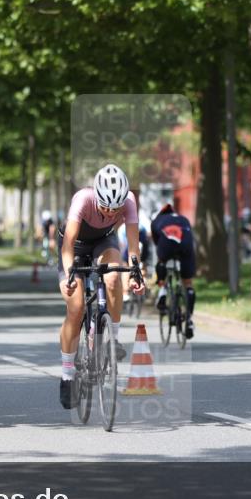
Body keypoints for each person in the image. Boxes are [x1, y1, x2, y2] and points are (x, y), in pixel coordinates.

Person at [58, 164, 146, 409]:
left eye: (114, 208)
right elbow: (68, 244)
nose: (110, 213)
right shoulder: (83, 200)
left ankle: (113, 340)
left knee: (114, 277)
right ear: (97, 197)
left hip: (104, 242)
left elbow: (133, 244)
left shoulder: (129, 201)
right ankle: (67, 376)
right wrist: (70, 276)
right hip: (74, 247)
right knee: (75, 308)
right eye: (106, 207)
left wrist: (136, 272)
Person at [151, 202, 196, 339]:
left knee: (161, 262)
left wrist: (163, 259)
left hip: (167, 242)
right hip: (186, 244)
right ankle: (188, 320)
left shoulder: (156, 221)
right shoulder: (183, 218)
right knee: (188, 283)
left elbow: (157, 242)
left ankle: (163, 291)